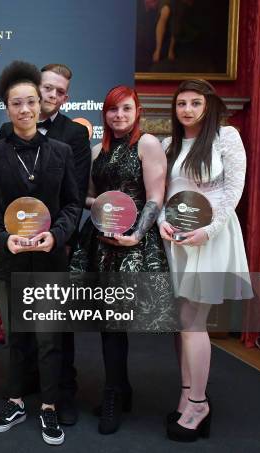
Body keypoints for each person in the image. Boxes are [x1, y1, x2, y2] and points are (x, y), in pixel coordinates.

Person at [0, 61, 80, 446]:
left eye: (31, 102)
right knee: (17, 334)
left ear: (41, 105)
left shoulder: (60, 151)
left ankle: (50, 407)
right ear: (6, 108)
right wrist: (2, 236)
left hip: (51, 258)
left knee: (50, 337)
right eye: (16, 103)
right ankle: (17, 400)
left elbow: (72, 204)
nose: (24, 109)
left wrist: (57, 235)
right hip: (11, 259)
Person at [70, 85, 172, 434]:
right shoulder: (98, 149)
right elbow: (87, 196)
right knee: (105, 321)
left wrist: (137, 234)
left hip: (133, 243)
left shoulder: (147, 144)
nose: (119, 116)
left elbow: (156, 198)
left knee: (116, 322)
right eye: (113, 110)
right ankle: (121, 388)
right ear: (105, 114)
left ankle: (114, 392)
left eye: (126, 109)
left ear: (137, 110)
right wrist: (102, 207)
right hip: (100, 241)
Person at [158, 79, 251, 442]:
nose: (187, 109)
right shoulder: (169, 144)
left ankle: (199, 403)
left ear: (208, 105)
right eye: (181, 103)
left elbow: (233, 192)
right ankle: (186, 395)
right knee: (182, 323)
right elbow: (166, 192)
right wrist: (164, 222)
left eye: (195, 102)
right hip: (178, 240)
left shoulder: (226, 138)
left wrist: (208, 232)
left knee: (193, 323)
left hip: (210, 239)